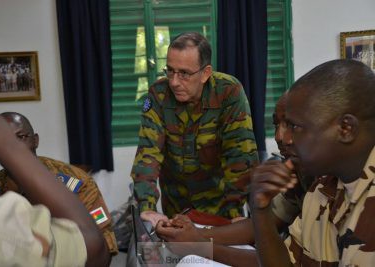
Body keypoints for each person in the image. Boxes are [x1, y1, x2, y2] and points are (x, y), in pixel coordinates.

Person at [155, 92, 314, 266]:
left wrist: (199, 246)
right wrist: (194, 235)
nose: (279, 136)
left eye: (292, 125)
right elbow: (262, 225)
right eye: (276, 124)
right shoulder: (300, 171)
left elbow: (285, 262)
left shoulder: (328, 187)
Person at [250, 59, 375, 266]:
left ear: (346, 129)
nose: (286, 139)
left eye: (296, 127)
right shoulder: (321, 189)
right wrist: (260, 210)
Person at [131, 32, 259, 227]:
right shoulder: (158, 94)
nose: (174, 81)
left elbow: (240, 156)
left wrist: (236, 212)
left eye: (184, 73)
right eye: (170, 71)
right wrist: (147, 206)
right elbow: (148, 152)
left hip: (221, 209)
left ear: (205, 73)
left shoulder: (228, 92)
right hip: (175, 208)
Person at [0, 108, 109, 266]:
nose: (14, 146)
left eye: (20, 137)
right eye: (2, 140)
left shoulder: (78, 182)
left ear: (35, 140)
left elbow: (102, 248)